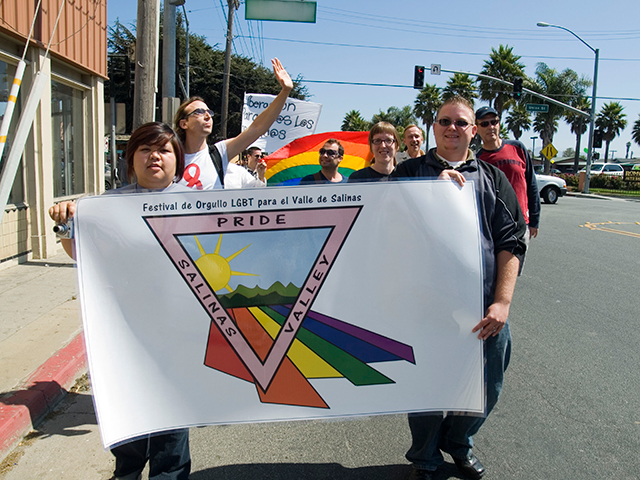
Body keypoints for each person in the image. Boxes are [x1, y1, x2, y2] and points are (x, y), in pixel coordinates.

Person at [392, 96, 526, 480]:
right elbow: (385, 226)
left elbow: (510, 241)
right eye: (445, 121)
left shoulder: (492, 178)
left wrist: (501, 302)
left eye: (461, 122)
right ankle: (425, 457)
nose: (453, 128)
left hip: (483, 307)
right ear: (433, 126)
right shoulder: (410, 173)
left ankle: (458, 442)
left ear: (474, 130)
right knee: (428, 388)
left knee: (488, 387)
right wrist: (430, 193)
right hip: (424, 306)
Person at [49, 122, 191, 480]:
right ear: (131, 160)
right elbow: (82, 254)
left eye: (164, 150)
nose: (154, 156)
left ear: (179, 160)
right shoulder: (107, 207)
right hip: (124, 332)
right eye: (145, 149)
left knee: (171, 422)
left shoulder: (199, 205)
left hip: (180, 334)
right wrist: (67, 223)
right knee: (127, 417)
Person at [173, 57, 293, 190]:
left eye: (209, 112)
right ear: (184, 124)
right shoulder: (170, 157)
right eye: (199, 112)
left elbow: (257, 128)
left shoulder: (218, 153)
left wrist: (285, 92)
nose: (208, 116)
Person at [475, 106, 540, 241]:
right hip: (492, 227)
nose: (491, 127)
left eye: (494, 122)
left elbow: (531, 184)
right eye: (485, 124)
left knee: (518, 262)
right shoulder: (477, 161)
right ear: (476, 129)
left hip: (520, 224)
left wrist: (535, 220)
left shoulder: (518, 148)